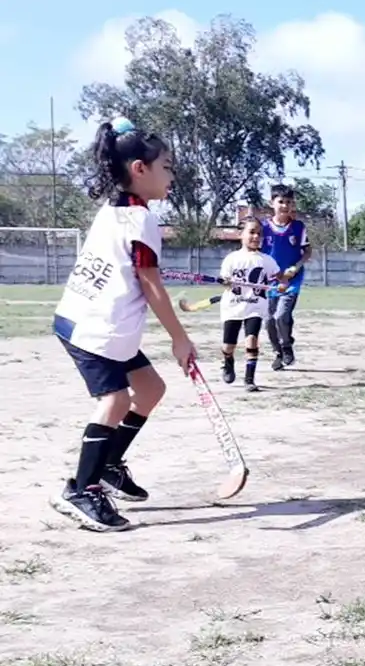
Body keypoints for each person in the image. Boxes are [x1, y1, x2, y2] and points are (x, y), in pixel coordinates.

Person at [50, 118, 197, 531]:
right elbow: (151, 287)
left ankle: (110, 464)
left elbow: (139, 274)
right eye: (167, 166)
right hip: (96, 330)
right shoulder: (140, 220)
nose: (172, 175)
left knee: (150, 389)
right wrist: (180, 340)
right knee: (114, 401)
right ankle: (82, 489)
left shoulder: (118, 210)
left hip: (89, 322)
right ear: (139, 169)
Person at [218, 218, 282, 392]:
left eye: (259, 234)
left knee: (252, 339)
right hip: (233, 307)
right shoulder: (232, 259)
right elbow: (225, 281)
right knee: (228, 346)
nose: (256, 237)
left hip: (255, 306)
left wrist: (282, 282)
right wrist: (226, 282)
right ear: (241, 235)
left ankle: (249, 379)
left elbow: (278, 277)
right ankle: (228, 361)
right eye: (251, 232)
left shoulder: (266, 260)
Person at [260, 184, 311, 370]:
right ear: (271, 203)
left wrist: (295, 268)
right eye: (281, 201)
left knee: (282, 315)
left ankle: (287, 346)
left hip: (291, 280)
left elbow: (307, 252)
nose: (284, 205)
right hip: (270, 281)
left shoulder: (298, 227)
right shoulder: (263, 228)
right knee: (269, 320)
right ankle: (277, 352)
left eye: (288, 202)